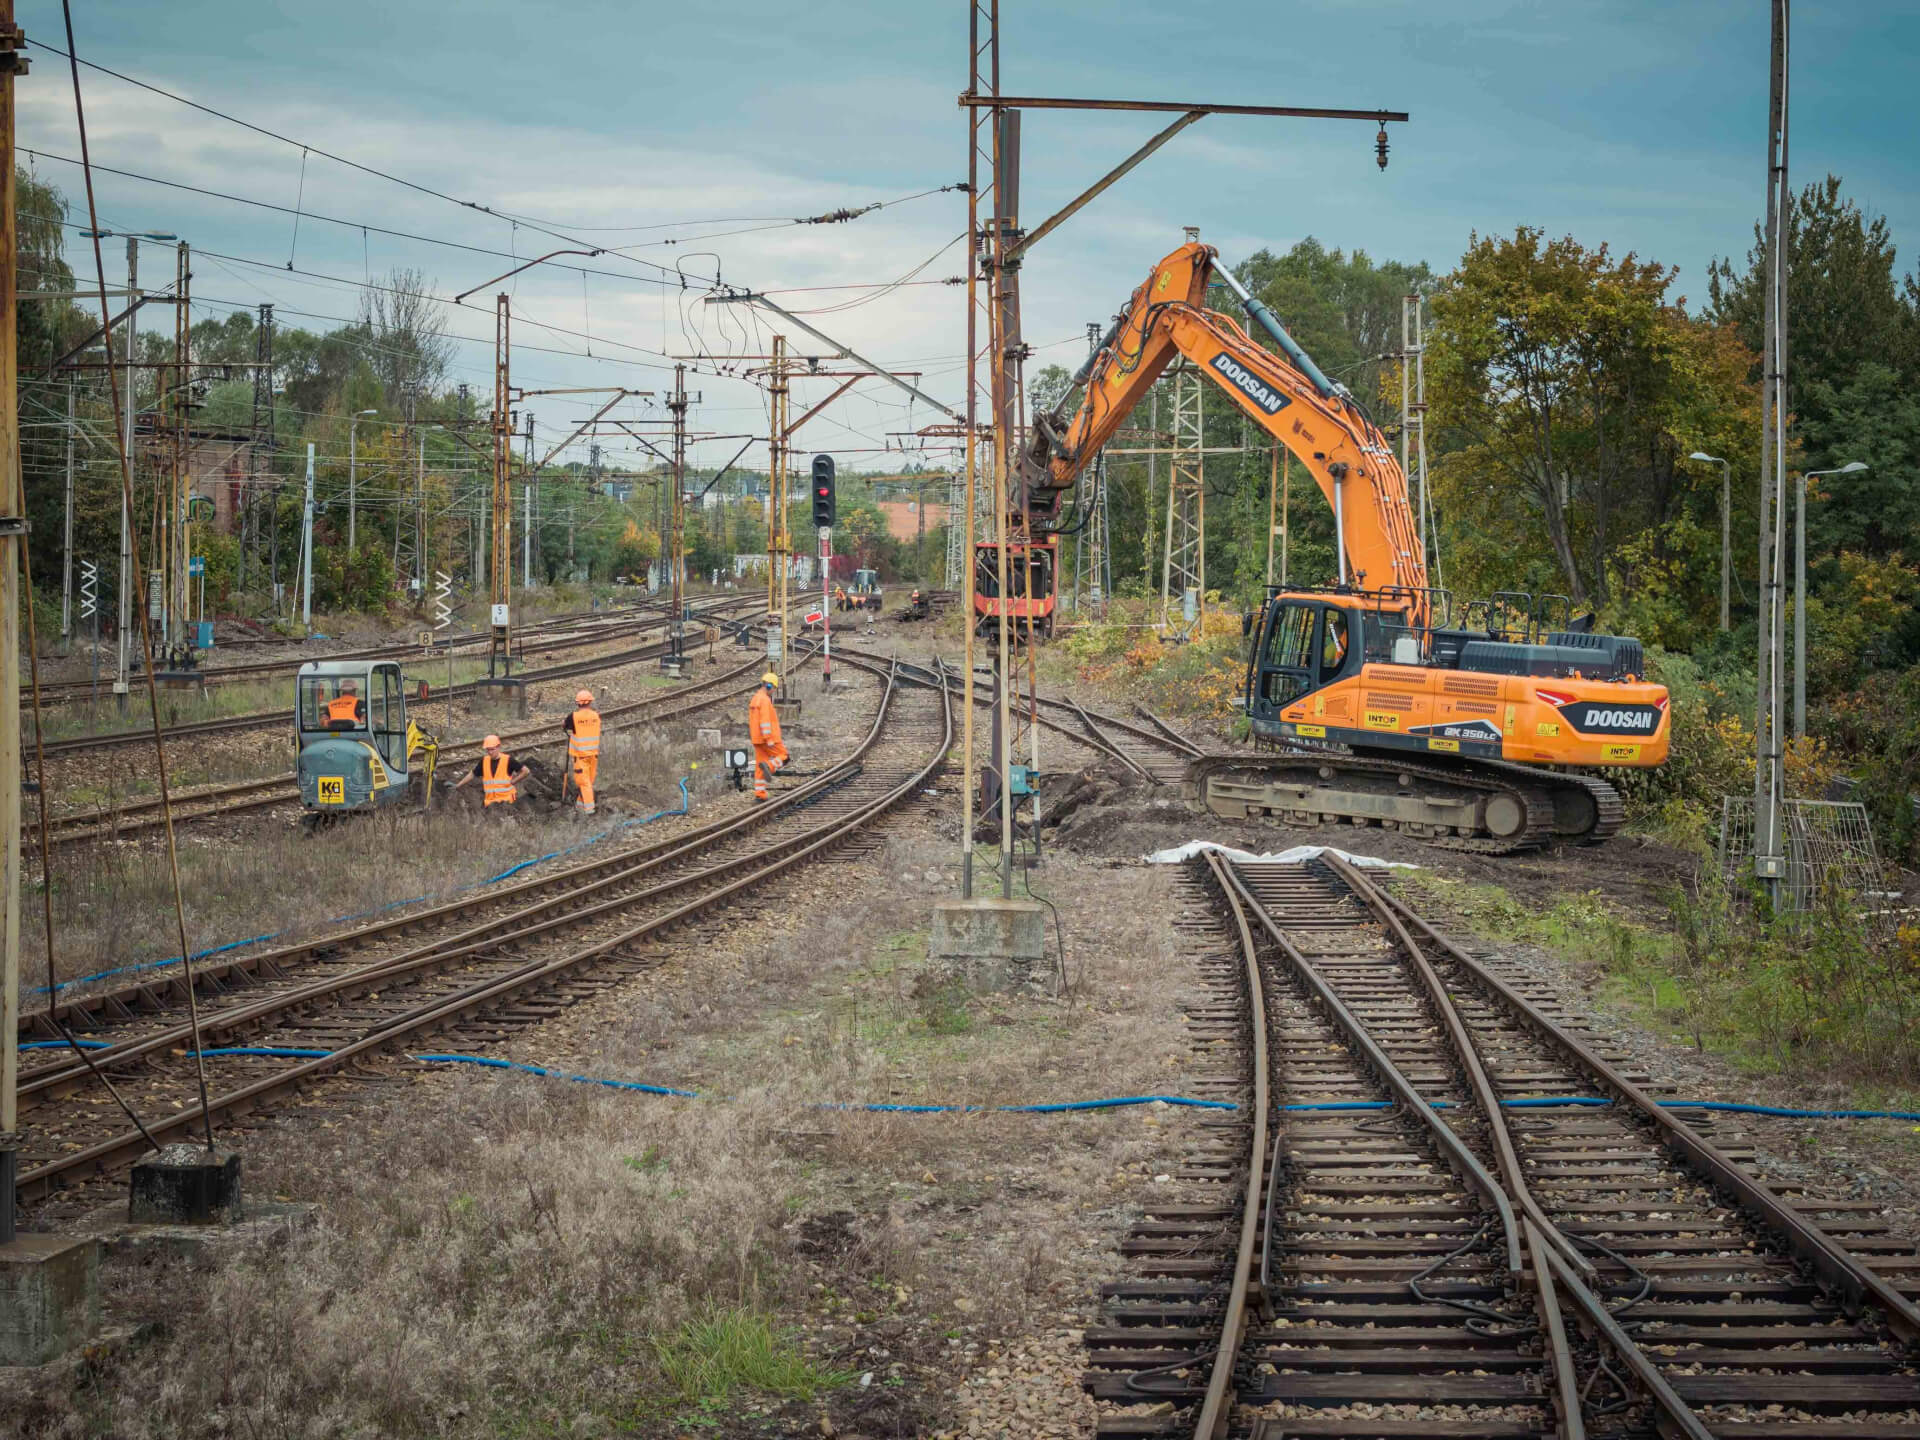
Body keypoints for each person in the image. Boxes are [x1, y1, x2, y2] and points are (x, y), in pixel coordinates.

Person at [453, 734, 528, 810]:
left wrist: (513, 782)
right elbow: (473, 774)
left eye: (492, 749)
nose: (490, 752)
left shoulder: (508, 760)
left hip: (507, 802)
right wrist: (458, 785)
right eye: (488, 750)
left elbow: (525, 771)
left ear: (498, 747)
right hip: (490, 803)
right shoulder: (484, 761)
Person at [747, 671, 788, 801]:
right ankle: (769, 767)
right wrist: (768, 738)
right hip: (768, 738)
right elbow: (764, 721)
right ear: (769, 686)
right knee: (784, 756)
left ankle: (760, 794)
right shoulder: (764, 700)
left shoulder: (755, 698)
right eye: (774, 688)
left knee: (760, 764)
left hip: (756, 739)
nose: (773, 692)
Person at [563, 688, 601, 815]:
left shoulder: (573, 717)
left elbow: (565, 725)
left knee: (584, 783)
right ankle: (579, 806)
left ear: (578, 703)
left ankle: (590, 811)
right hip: (593, 756)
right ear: (590, 702)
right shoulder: (596, 715)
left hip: (580, 757)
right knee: (588, 783)